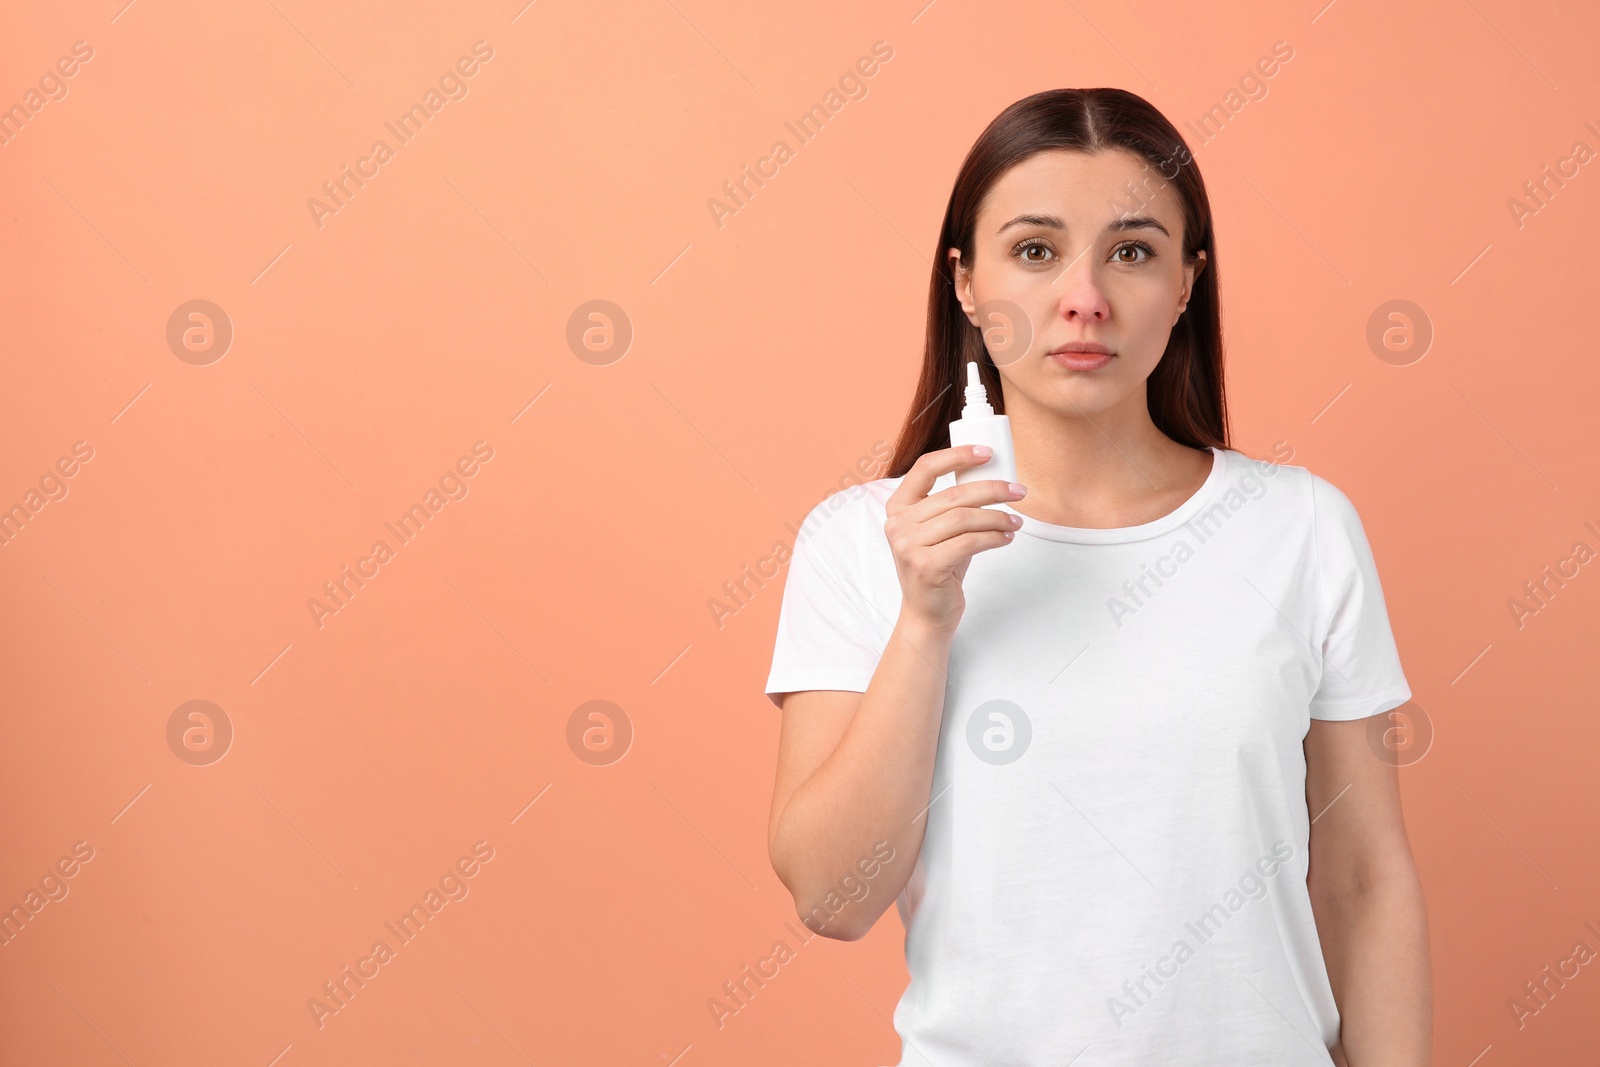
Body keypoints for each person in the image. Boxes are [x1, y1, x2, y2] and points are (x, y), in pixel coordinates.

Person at [762, 87, 1431, 1066]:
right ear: (963, 280)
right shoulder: (863, 541)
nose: (1084, 297)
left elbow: (1366, 880)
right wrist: (923, 620)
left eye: (1132, 250)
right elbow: (833, 897)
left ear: (1186, 280)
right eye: (1035, 250)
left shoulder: (1300, 527)